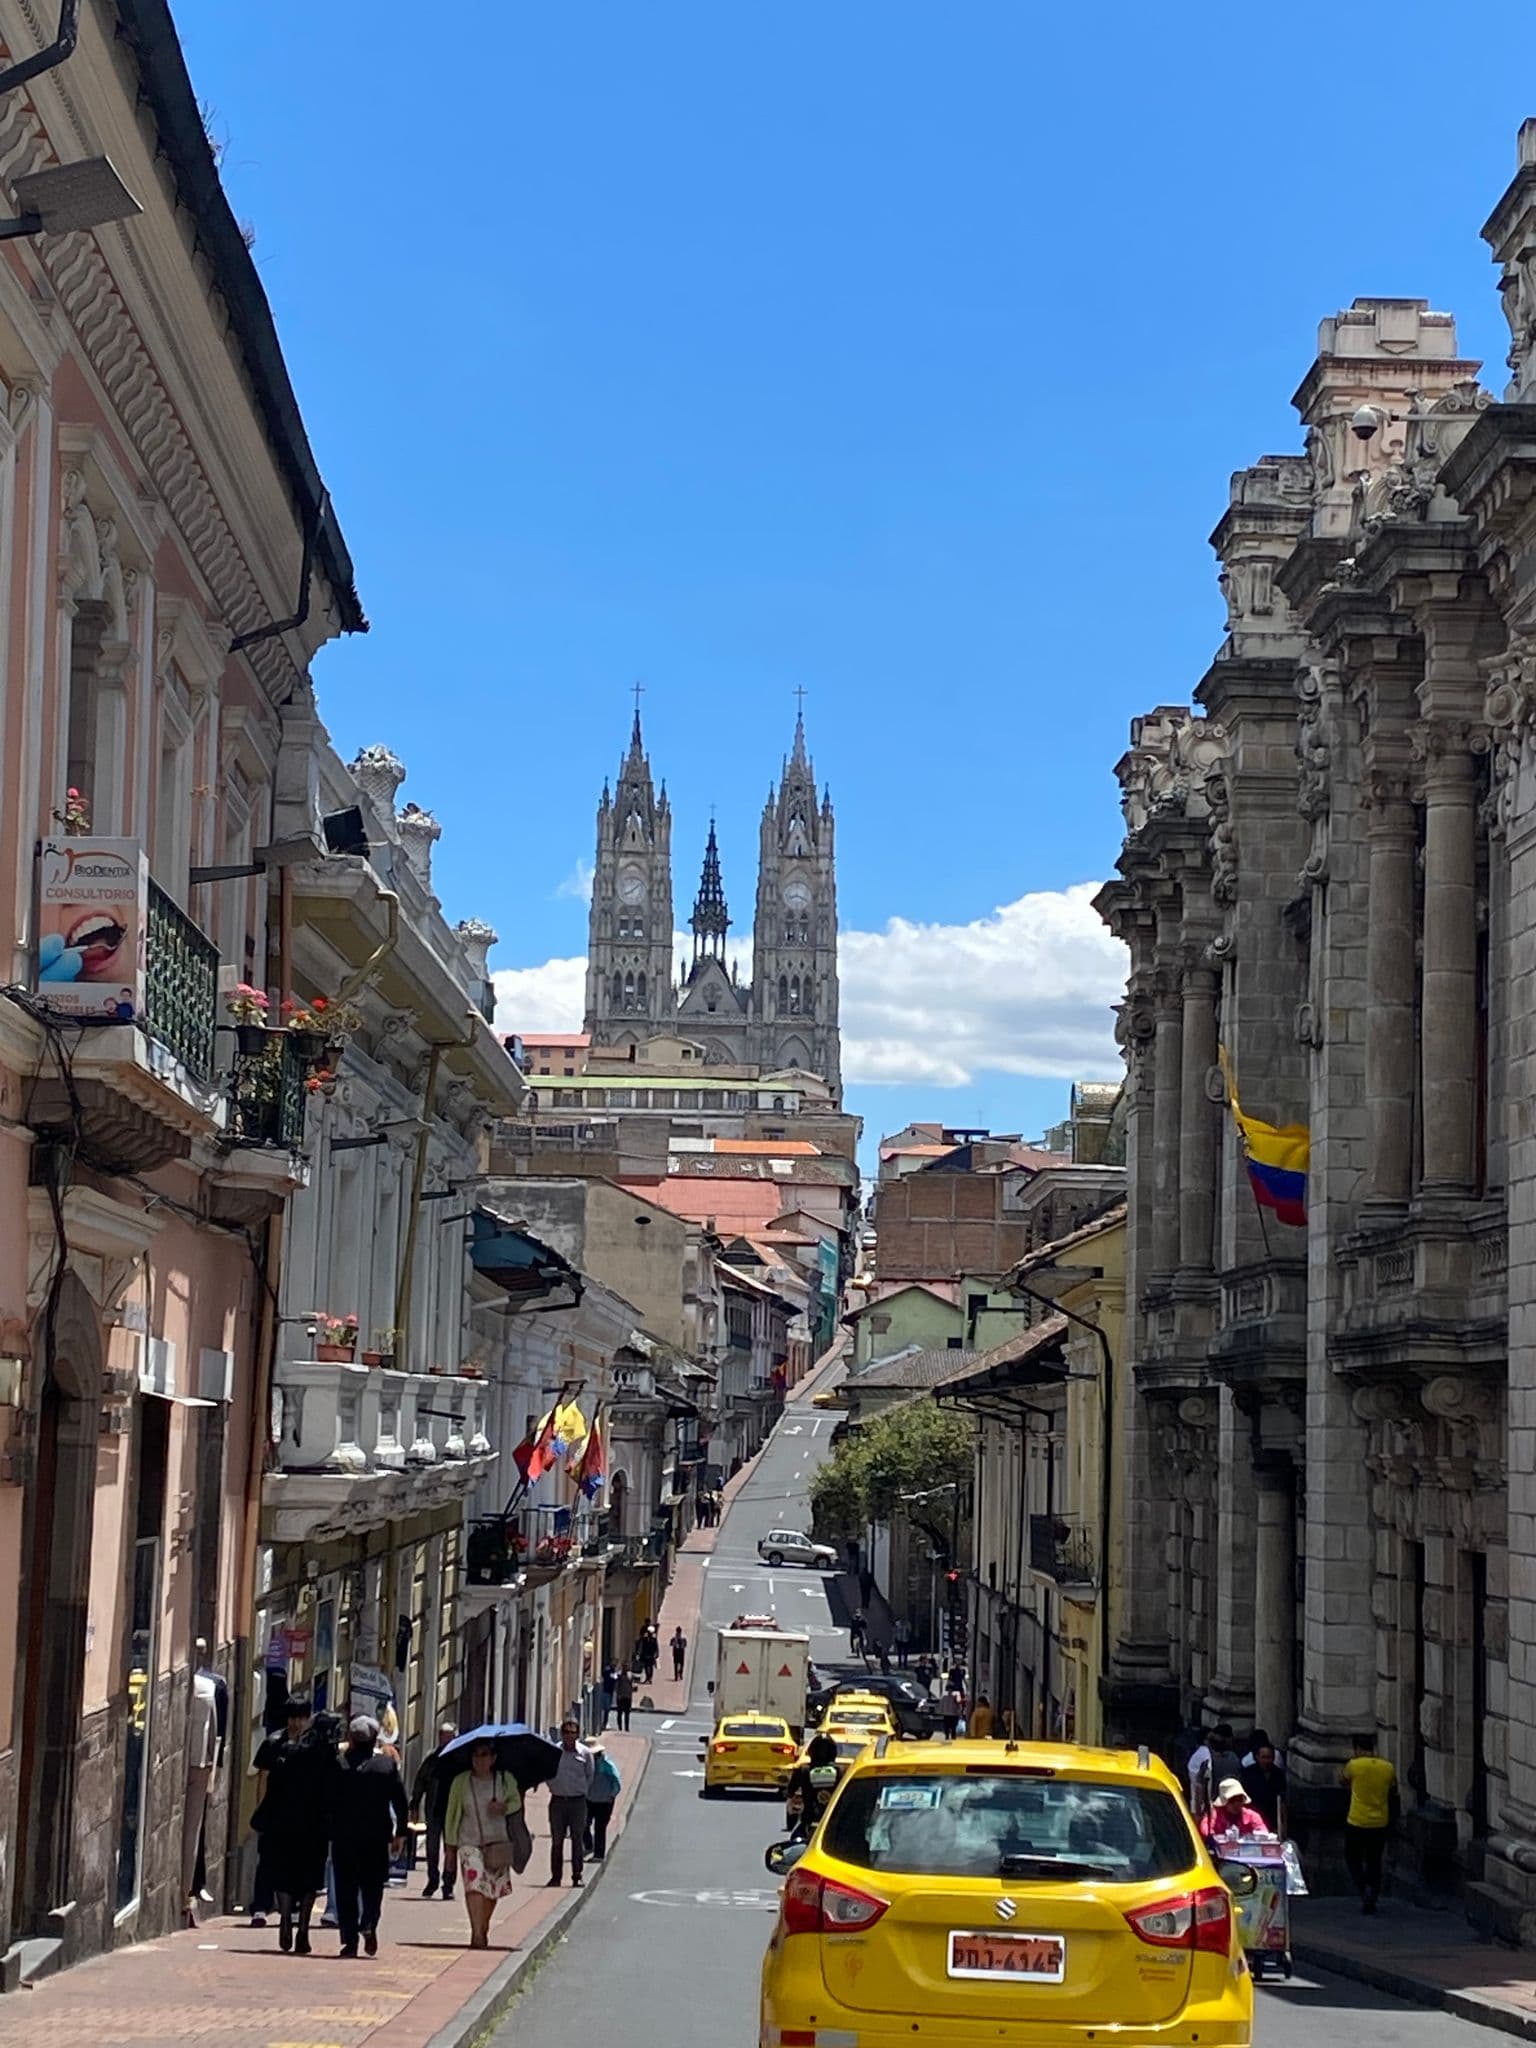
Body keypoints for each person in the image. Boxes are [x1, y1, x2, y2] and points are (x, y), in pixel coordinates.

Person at [250, 1695, 334, 1955]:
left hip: (309, 1824)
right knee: (286, 1873)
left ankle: (302, 1925)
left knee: (307, 1877)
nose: (296, 1723)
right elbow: (263, 1780)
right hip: (286, 1822)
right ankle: (288, 1919)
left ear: (308, 1718)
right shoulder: (276, 1743)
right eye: (292, 1717)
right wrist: (262, 1812)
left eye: (301, 1717)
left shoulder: (317, 1746)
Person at [329, 1716, 409, 1959]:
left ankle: (350, 1940)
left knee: (346, 1890)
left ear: (351, 1738)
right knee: (373, 1887)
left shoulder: (338, 1765)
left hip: (344, 1838)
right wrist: (401, 1832)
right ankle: (369, 1922)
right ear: (375, 1739)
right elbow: (400, 1801)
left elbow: (325, 1801)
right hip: (376, 1838)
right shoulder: (386, 1766)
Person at [445, 1737, 524, 1950]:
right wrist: (450, 1849)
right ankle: (476, 1933)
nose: (480, 1760)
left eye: (484, 1755)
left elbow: (516, 1801)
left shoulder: (504, 1779)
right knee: (474, 1888)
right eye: (476, 1755)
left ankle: (483, 1925)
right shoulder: (461, 1782)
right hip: (468, 1842)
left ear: (493, 1758)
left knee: (492, 1892)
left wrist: (504, 1807)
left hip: (497, 1842)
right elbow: (452, 1815)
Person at [1341, 1732, 1397, 1914]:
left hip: (1357, 1820)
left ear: (1356, 1748)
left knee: (1352, 1856)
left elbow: (1343, 1780)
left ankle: (1362, 1886)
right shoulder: (1388, 1767)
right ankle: (1373, 1892)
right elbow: (1393, 1787)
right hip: (1380, 1821)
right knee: (1375, 1860)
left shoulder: (1353, 1765)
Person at [411, 1721, 459, 1901]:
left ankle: (448, 1885)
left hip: (453, 1812)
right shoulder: (432, 1759)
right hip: (434, 1811)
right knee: (432, 1848)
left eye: (448, 1736)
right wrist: (414, 1805)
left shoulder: (459, 1760)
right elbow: (420, 1782)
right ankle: (432, 1880)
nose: (444, 1739)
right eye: (442, 1736)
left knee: (451, 1850)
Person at [546, 1716, 593, 1887]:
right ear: (561, 1734)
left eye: (573, 1733)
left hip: (577, 1803)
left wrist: (580, 1790)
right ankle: (555, 1877)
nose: (569, 1736)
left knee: (577, 1839)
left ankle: (577, 1875)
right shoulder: (554, 1751)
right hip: (558, 1801)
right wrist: (554, 1787)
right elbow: (548, 1773)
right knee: (557, 1840)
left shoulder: (585, 1754)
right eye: (566, 1732)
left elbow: (589, 1775)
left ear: (578, 1734)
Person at [785, 1734, 841, 1840]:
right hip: (832, 1821)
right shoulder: (841, 1772)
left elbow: (790, 1791)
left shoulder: (802, 1770)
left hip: (809, 1819)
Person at [1199, 1778, 1271, 1842]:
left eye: (1239, 1799)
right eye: (1232, 1800)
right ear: (1224, 1802)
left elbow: (1263, 1833)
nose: (1236, 1803)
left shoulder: (1252, 1816)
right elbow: (1205, 1831)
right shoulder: (1214, 1815)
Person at [586, 1742, 622, 1859]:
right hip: (589, 1799)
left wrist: (611, 1795)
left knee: (600, 1828)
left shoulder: (606, 1765)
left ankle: (599, 1854)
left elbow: (616, 1782)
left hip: (604, 1801)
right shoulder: (586, 1764)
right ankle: (588, 1845)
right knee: (583, 1824)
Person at [1246, 1743, 1288, 1838]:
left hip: (1273, 1821)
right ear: (1257, 1757)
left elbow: (1283, 1802)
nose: (1266, 1761)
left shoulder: (1279, 1775)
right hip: (1253, 1820)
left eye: (1269, 1757)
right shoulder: (1248, 1774)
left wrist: (1283, 1827)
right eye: (1263, 1757)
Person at [613, 1664, 634, 1732]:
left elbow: (631, 1686)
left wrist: (631, 1696)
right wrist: (618, 1694)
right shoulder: (619, 1675)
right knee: (619, 1713)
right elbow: (616, 1685)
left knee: (627, 1714)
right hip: (621, 1696)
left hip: (627, 1697)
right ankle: (620, 1727)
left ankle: (626, 1727)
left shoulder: (630, 1675)